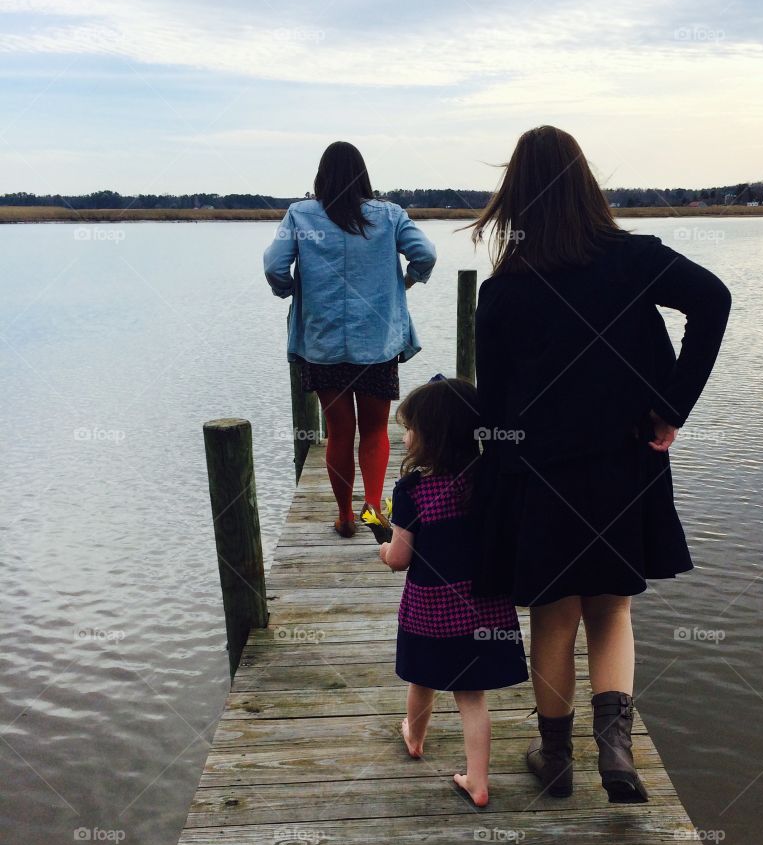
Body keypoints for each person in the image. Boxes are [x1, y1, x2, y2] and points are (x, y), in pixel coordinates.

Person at [468, 125, 732, 805]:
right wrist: (672, 406)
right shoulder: (633, 258)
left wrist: (483, 500)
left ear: (515, 201)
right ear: (587, 186)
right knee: (611, 608)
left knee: (554, 612)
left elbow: (492, 412)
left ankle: (554, 758)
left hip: (540, 474)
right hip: (623, 464)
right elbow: (714, 300)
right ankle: (615, 749)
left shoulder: (501, 293)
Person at [263, 141, 437, 540]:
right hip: (376, 341)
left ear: (321, 176)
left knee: (338, 431)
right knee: (375, 431)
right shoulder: (389, 215)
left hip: (323, 343)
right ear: (364, 175)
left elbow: (274, 266)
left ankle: (343, 517)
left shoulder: (299, 214)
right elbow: (425, 254)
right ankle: (373, 510)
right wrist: (405, 282)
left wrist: (289, 290)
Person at [378, 376, 529, 808]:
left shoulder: (412, 491)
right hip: (483, 606)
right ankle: (478, 782)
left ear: (431, 436)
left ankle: (415, 737)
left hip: (430, 609)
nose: (404, 435)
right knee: (471, 696)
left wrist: (384, 550)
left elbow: (400, 558)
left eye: (409, 427)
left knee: (421, 676)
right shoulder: (488, 480)